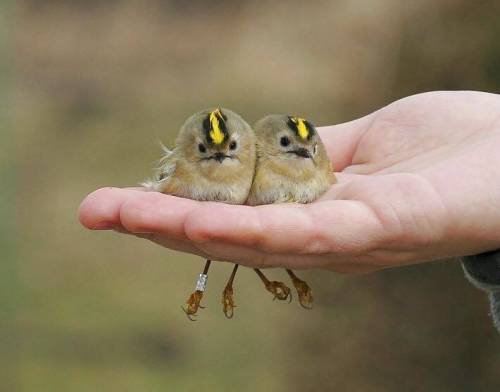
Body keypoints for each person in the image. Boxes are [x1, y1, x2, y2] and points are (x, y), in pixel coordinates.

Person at [78, 91, 500, 332]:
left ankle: (273, 279)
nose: (222, 159)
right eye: (209, 151)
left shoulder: (272, 165)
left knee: (246, 235)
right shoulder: (219, 165)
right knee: (232, 233)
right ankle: (208, 285)